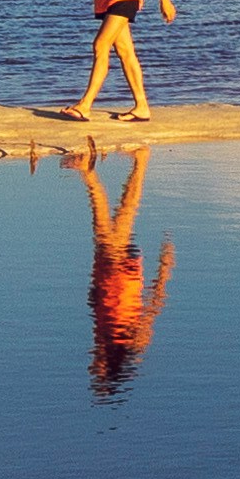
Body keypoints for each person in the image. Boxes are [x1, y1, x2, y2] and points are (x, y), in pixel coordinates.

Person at [82, 140, 169, 396]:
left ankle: (129, 163)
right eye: (96, 371)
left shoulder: (103, 340)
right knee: (111, 210)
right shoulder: (132, 343)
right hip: (122, 272)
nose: (92, 366)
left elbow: (99, 305)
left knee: (120, 210)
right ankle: (93, 169)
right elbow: (154, 306)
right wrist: (165, 268)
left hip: (107, 269)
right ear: (107, 370)